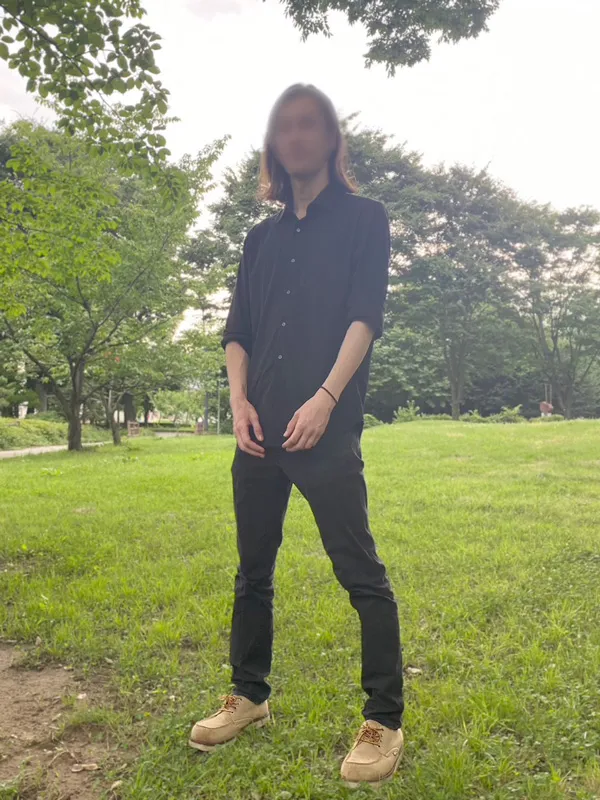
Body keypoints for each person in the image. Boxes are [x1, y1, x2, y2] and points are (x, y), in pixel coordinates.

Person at [188, 83, 405, 789]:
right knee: (253, 571)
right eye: (285, 126)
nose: (296, 136)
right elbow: (239, 331)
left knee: (360, 573)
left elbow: (365, 316)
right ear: (273, 144)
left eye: (309, 124)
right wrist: (238, 402)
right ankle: (248, 695)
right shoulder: (260, 237)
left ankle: (384, 719)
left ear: (331, 138)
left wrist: (325, 399)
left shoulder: (366, 219)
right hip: (258, 432)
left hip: (324, 429)